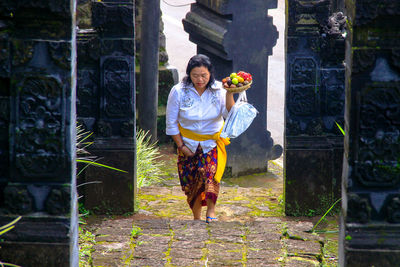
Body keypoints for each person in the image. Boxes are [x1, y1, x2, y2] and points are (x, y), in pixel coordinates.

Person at [166, 54, 236, 223]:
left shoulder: (219, 89)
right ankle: (196, 216)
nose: (200, 79)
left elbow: (230, 114)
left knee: (209, 176)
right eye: (195, 75)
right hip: (187, 143)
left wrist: (229, 93)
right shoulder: (178, 91)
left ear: (210, 74)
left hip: (211, 143)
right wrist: (181, 146)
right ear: (189, 74)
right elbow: (171, 122)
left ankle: (211, 211)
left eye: (204, 75)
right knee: (191, 182)